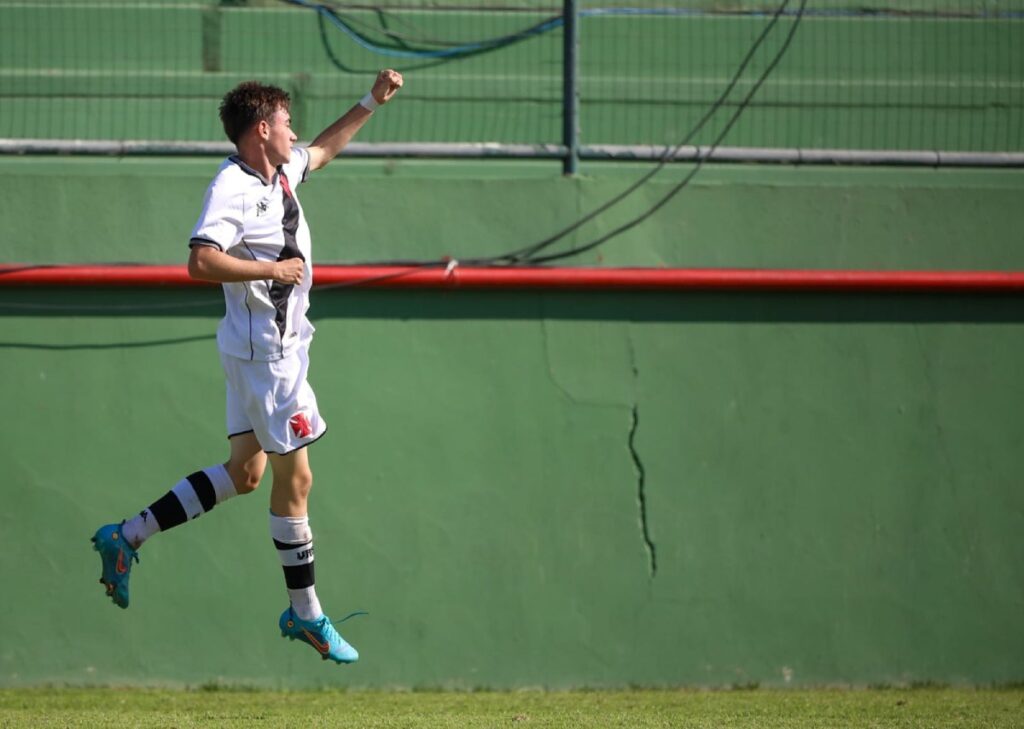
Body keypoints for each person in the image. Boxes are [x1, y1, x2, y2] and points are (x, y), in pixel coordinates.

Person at [91, 69, 403, 665]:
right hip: (269, 358)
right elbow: (200, 262)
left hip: (252, 348)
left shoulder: (280, 170)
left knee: (246, 473)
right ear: (263, 129)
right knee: (297, 481)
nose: (296, 134)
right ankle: (306, 613)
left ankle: (126, 536)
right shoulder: (232, 186)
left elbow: (326, 150)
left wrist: (371, 102)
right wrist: (270, 271)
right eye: (287, 124)